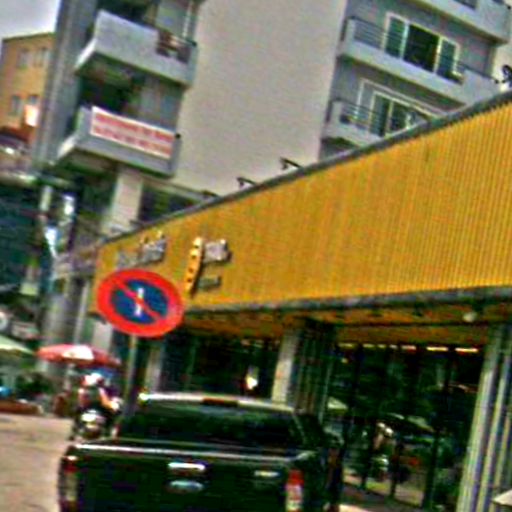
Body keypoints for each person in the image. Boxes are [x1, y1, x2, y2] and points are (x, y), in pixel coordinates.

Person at [69, 373, 116, 441]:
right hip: (97, 408)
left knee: (77, 417)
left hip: (88, 409)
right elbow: (105, 402)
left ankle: (74, 433)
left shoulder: (83, 390)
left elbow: (80, 401)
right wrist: (110, 407)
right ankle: (107, 432)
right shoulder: (100, 390)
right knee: (110, 416)